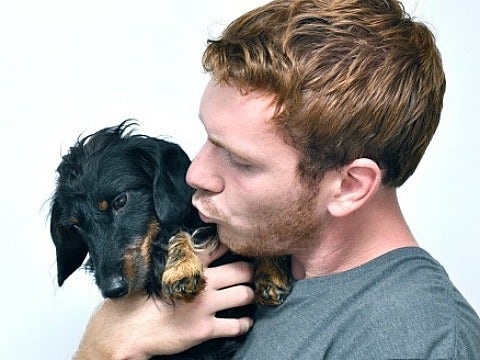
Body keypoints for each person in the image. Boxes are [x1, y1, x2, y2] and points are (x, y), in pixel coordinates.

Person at [74, 0, 480, 359]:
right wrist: (104, 345)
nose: (195, 174)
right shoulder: (257, 259)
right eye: (210, 138)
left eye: (239, 160)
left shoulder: (415, 338)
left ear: (350, 186)